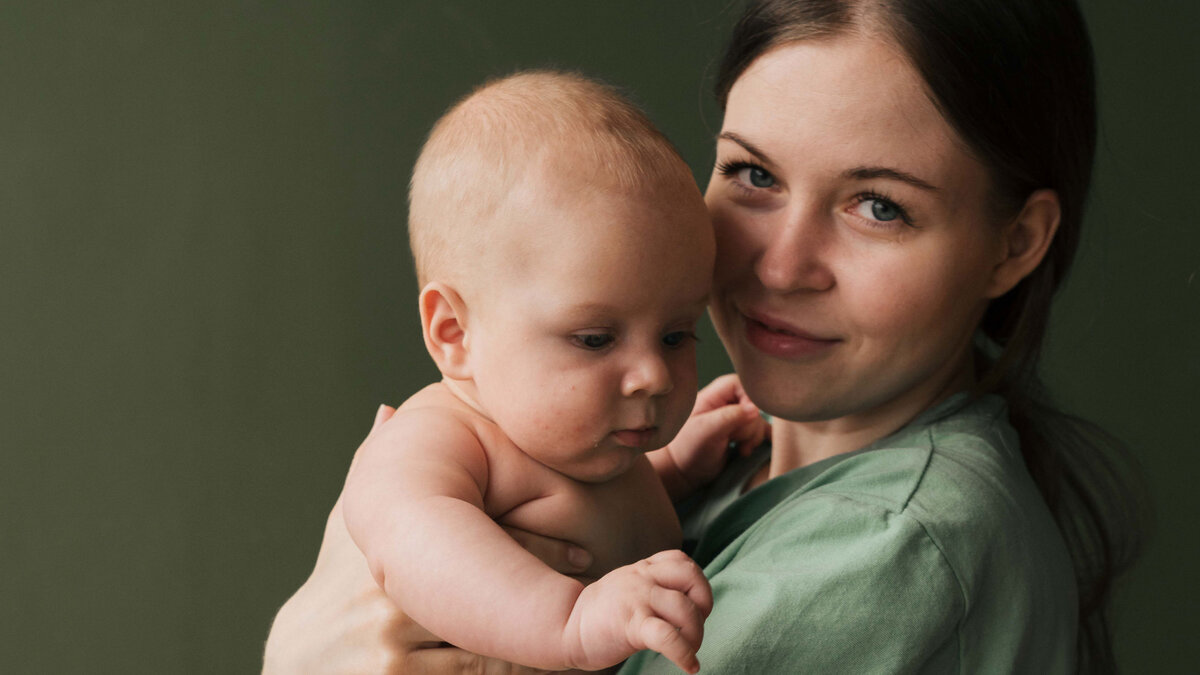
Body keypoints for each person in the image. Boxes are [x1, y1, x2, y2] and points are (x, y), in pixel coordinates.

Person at [263, 0, 1144, 673]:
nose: (781, 265)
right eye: (753, 173)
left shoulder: (891, 542)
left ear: (1016, 242)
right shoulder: (724, 463)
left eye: (879, 205)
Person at [336, 71, 773, 674]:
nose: (653, 375)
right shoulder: (441, 437)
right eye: (595, 339)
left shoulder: (582, 446)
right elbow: (409, 538)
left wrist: (674, 470)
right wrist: (571, 620)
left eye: (676, 335)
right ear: (455, 334)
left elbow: (595, 516)